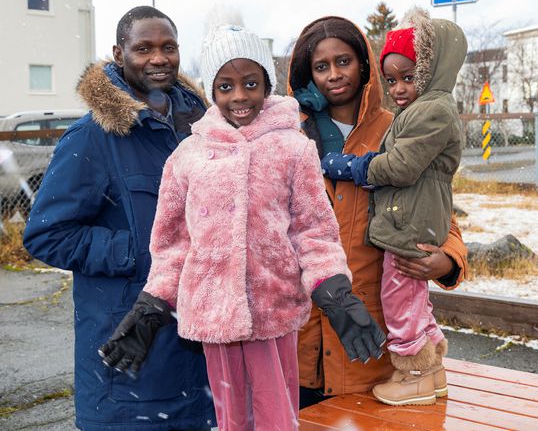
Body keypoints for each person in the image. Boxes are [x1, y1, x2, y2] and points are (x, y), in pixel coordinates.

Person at [97, 25, 386, 431]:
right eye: (226, 86)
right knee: (231, 418)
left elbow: (313, 230)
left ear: (266, 85)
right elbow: (173, 243)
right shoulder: (187, 156)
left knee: (276, 416)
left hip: (273, 309)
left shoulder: (293, 147)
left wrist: (334, 290)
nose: (239, 97)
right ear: (212, 91)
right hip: (213, 316)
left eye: (250, 84)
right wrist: (152, 305)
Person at [23, 6, 215, 431]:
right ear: (118, 52)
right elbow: (46, 234)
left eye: (168, 47)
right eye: (143, 48)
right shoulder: (94, 136)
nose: (158, 58)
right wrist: (141, 251)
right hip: (129, 347)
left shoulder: (203, 127)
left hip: (198, 345)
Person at [288, 16, 469, 409]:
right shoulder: (289, 136)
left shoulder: (400, 128)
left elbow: (438, 210)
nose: (334, 75)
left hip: (373, 346)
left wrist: (448, 260)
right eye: (321, 66)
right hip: (303, 339)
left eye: (344, 61)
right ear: (307, 73)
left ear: (365, 66)